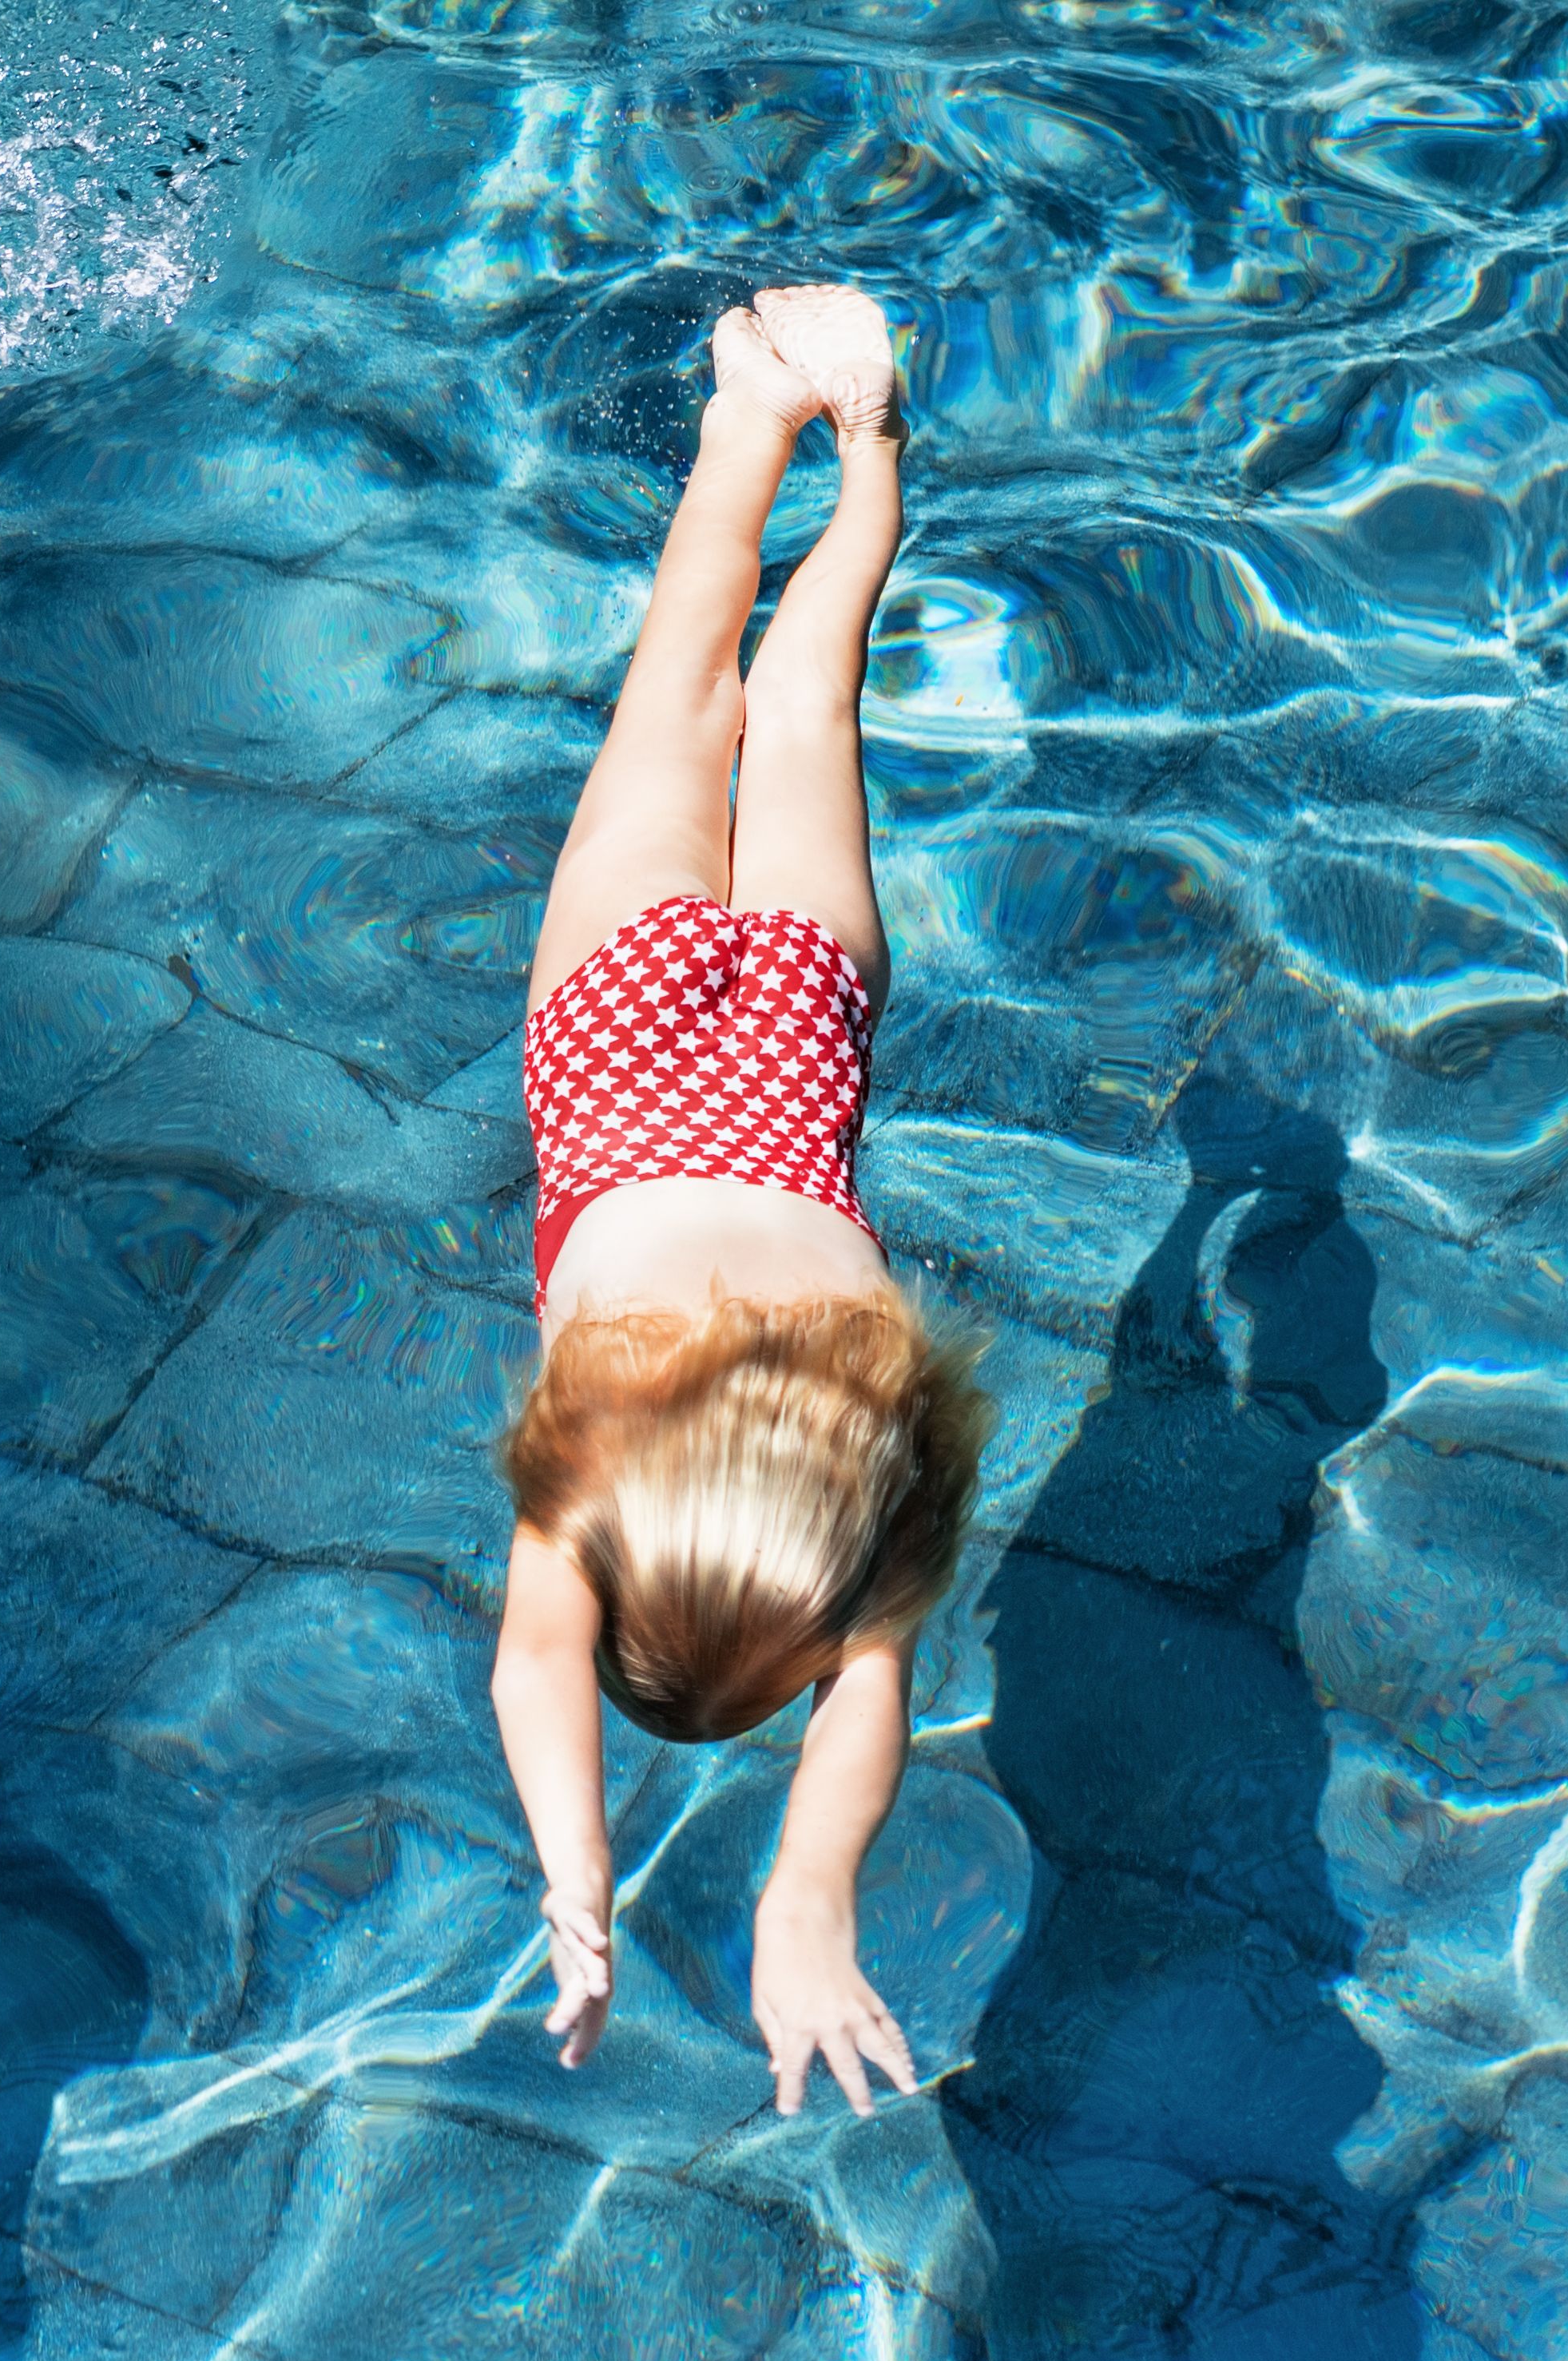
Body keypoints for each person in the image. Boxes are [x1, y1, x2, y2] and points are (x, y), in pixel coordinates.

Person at [492, 285, 994, 2116]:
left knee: (799, 696)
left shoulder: (871, 1459)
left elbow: (868, 1698)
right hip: (616, 1021)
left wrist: (813, 1889)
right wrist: (579, 1886)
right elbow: (537, 1676)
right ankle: (744, 418)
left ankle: (863, 444)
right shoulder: (597, 1452)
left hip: (796, 1029)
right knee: (684, 685)